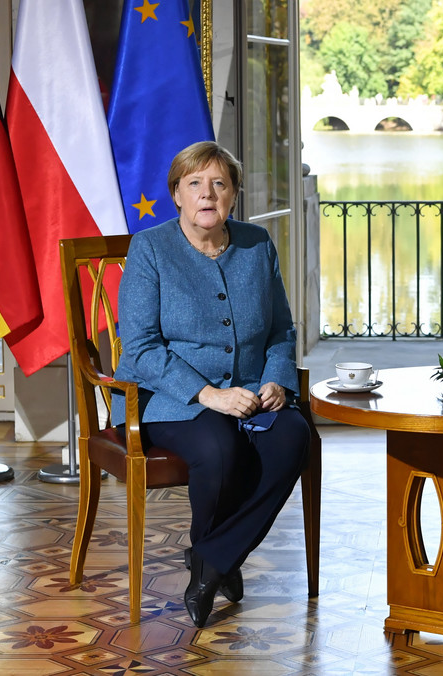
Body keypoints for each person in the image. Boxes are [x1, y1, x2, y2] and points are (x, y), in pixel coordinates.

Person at [112, 141, 309, 628]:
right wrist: (208, 395)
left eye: (219, 183)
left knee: (294, 436)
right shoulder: (150, 249)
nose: (207, 193)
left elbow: (282, 329)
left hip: (251, 394)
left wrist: (277, 380)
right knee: (219, 448)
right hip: (171, 400)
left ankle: (212, 558)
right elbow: (138, 349)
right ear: (176, 193)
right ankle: (221, 560)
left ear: (234, 195)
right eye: (194, 183)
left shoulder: (257, 245)